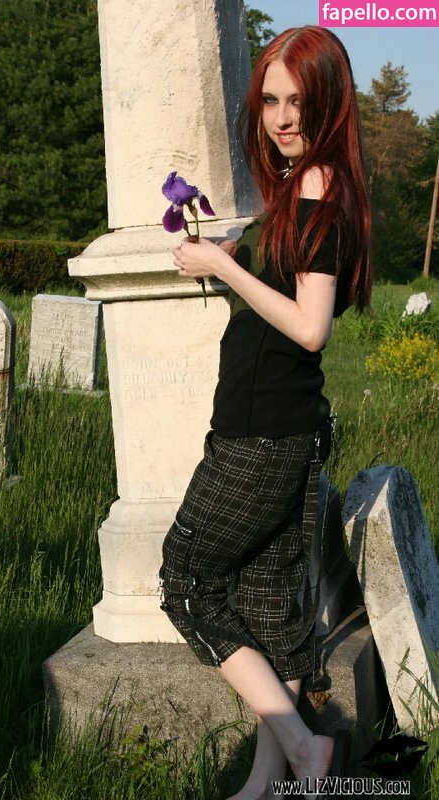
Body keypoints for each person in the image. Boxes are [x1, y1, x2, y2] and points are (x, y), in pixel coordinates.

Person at [159, 25, 372, 800]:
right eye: (270, 100)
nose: (281, 118)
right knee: (264, 608)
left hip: (260, 435)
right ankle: (265, 784)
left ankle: (304, 748)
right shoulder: (306, 185)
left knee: (186, 583)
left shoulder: (314, 183)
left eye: (297, 102)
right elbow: (289, 289)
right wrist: (230, 251)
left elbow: (309, 327)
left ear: (329, 102)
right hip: (283, 429)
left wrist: (222, 267)